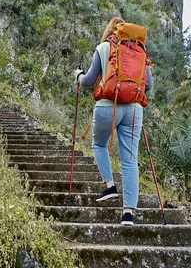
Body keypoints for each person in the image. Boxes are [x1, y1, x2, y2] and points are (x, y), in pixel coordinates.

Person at [73, 17, 153, 226]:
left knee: (99, 144)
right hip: (135, 109)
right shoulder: (140, 51)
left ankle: (110, 186)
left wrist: (78, 75)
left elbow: (89, 81)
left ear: (110, 31)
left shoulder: (103, 47)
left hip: (108, 105)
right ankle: (128, 214)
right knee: (129, 158)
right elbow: (149, 86)